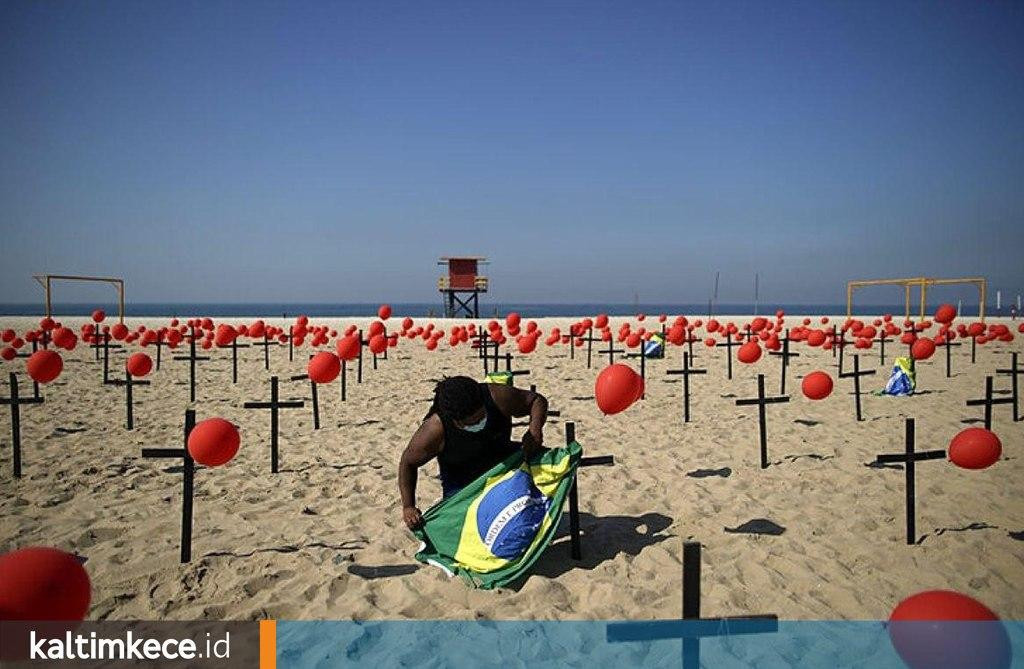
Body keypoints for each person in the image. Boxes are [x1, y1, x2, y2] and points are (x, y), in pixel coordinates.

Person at [398, 376, 548, 530]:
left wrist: (535, 430)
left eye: (481, 417)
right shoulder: (435, 430)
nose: (478, 424)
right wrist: (408, 506)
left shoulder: (497, 396)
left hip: (504, 464)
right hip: (463, 484)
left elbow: (536, 401)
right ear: (455, 421)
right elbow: (408, 463)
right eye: (472, 423)